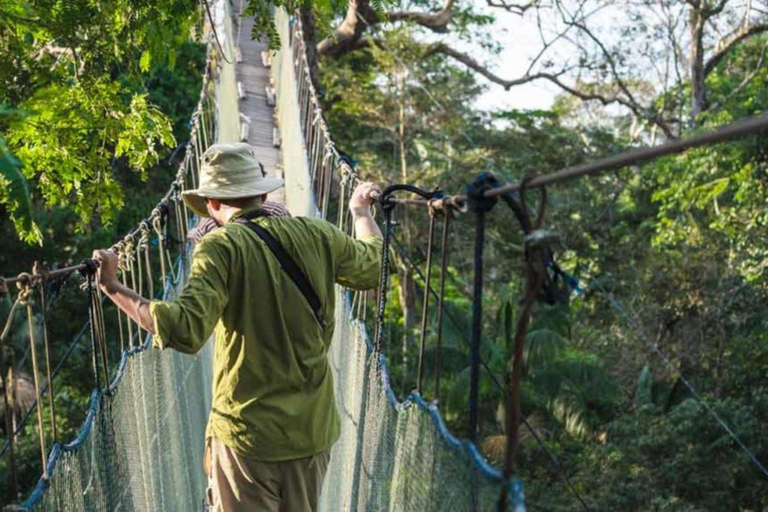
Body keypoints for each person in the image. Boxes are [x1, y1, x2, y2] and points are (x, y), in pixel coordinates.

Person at [93, 142, 382, 511]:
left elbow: (185, 329)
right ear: (263, 193)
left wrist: (113, 287)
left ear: (211, 203)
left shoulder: (219, 248)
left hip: (247, 437)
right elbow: (372, 266)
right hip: (311, 432)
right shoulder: (318, 233)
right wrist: (359, 213)